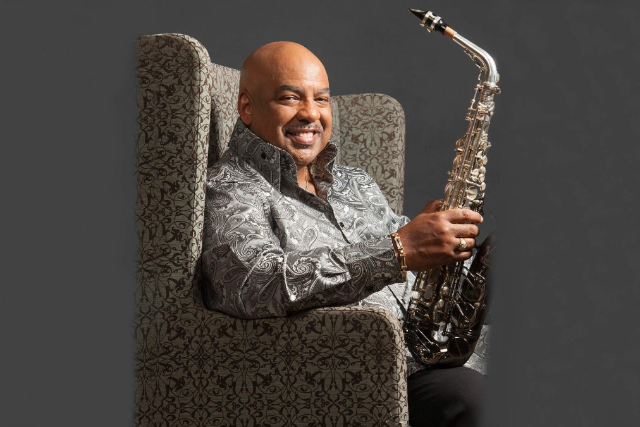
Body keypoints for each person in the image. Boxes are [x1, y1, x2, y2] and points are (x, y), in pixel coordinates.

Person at [201, 41, 484, 427]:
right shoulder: (229, 188)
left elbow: (410, 258)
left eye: (321, 99)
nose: (311, 113)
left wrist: (440, 249)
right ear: (247, 107)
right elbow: (253, 283)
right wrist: (397, 250)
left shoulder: (356, 182)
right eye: (290, 98)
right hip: (360, 381)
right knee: (480, 400)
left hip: (434, 351)